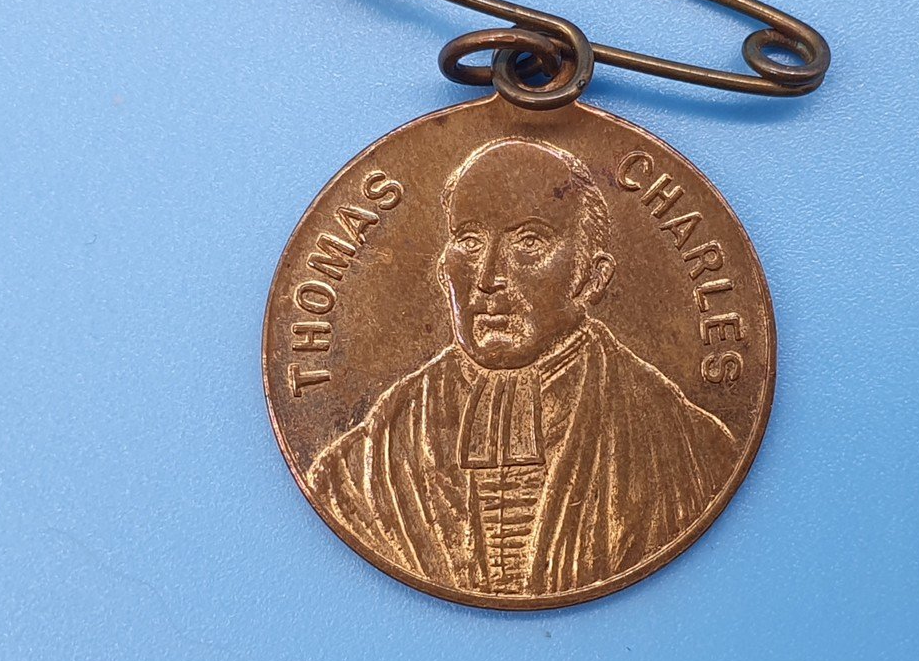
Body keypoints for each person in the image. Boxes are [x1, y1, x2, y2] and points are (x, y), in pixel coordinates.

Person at [309, 137, 735, 596]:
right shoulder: (366, 462)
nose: (488, 277)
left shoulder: (686, 446)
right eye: (469, 241)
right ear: (443, 268)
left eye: (529, 242)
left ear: (592, 278)